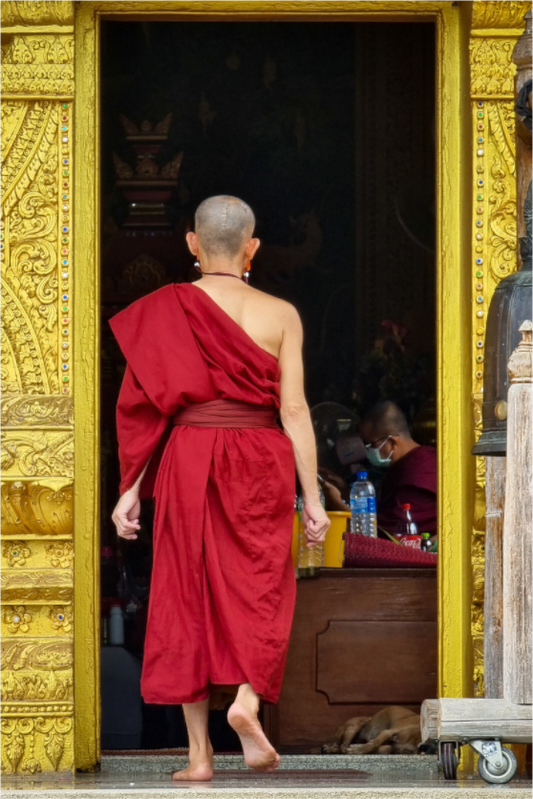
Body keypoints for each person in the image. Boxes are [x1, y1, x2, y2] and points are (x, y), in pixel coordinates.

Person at [110, 195, 330, 782]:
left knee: (185, 593)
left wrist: (129, 488)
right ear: (253, 247)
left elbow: (144, 407)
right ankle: (247, 700)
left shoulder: (164, 310)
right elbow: (294, 410)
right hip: (259, 457)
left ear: (191, 244)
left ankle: (199, 757)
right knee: (260, 582)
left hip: (186, 457)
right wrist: (313, 497)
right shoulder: (280, 314)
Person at [359, 401, 437, 536]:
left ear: (393, 443)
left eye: (371, 444)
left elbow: (390, 532)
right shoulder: (401, 465)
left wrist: (341, 507)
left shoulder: (418, 471)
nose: (368, 451)